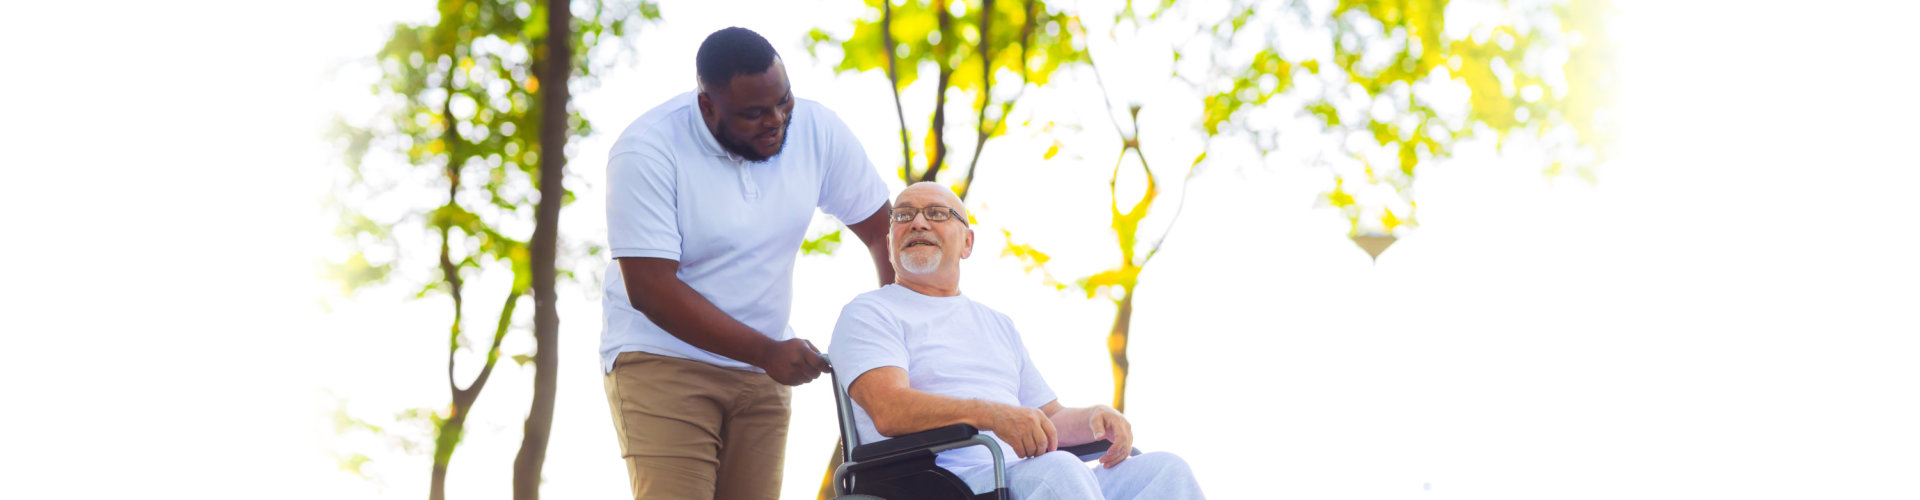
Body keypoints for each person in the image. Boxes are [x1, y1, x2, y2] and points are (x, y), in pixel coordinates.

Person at [600, 27, 894, 499]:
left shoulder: (817, 130)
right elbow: (650, 287)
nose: (775, 120)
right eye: (753, 113)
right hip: (662, 360)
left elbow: (884, 230)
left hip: (761, 376)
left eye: (783, 101)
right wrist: (766, 351)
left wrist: (895, 336)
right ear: (707, 107)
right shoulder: (646, 150)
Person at [830, 182, 1206, 499]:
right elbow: (889, 408)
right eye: (903, 215)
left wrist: (1094, 417)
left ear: (967, 242)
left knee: (1165, 471)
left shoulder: (996, 324)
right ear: (891, 237)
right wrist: (990, 414)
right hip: (939, 480)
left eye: (938, 214)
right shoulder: (870, 312)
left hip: (1023, 473)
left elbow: (1049, 417)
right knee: (1056, 470)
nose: (918, 222)